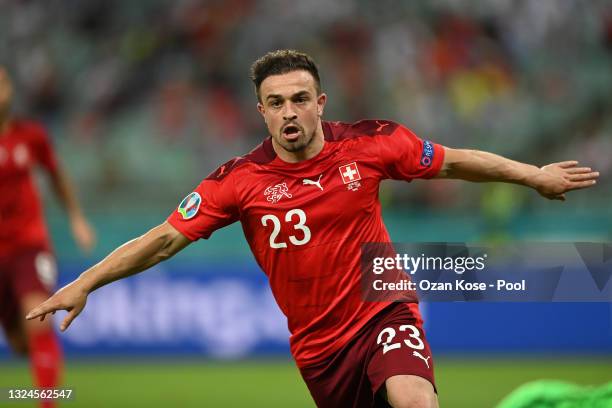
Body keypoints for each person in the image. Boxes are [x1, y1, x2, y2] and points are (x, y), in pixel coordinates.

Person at [26, 50, 598, 408]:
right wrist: (87, 282)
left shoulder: (371, 144)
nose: (290, 111)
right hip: (318, 348)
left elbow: (451, 160)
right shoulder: (238, 181)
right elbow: (163, 238)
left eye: (300, 99)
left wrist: (532, 175)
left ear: (320, 102)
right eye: (276, 103)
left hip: (384, 309)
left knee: (413, 399)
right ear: (262, 112)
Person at [0, 66, 96, 408]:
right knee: (20, 343)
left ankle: (48, 403)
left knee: (38, 321)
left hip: (29, 245)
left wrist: (76, 218)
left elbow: (57, 176)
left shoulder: (31, 136)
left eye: (4, 83)